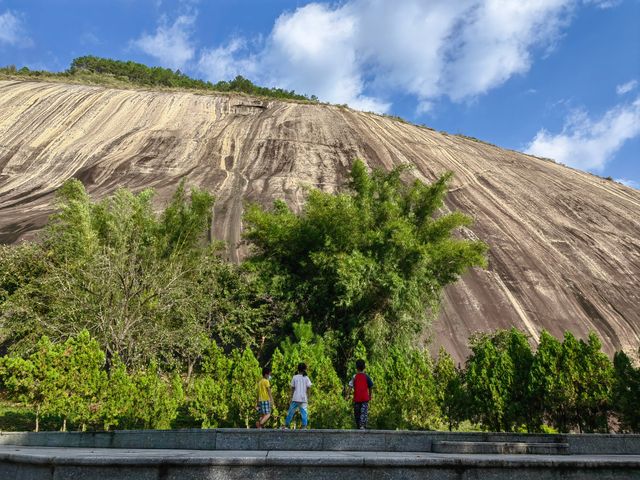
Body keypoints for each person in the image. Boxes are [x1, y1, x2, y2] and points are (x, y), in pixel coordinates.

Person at [284, 363, 312, 429]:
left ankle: (286, 425)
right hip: (303, 398)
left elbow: (292, 388)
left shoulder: (294, 377)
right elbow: (309, 388)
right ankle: (304, 426)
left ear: (298, 369)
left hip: (295, 398)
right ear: (305, 369)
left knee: (291, 412)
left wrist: (290, 397)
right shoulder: (306, 378)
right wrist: (309, 397)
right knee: (304, 413)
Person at [348, 359, 373, 430]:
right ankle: (362, 425)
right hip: (365, 398)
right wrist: (370, 395)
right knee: (363, 413)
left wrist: (347, 395)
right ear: (364, 367)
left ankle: (360, 426)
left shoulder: (354, 376)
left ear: (356, 367)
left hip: (357, 399)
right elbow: (371, 386)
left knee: (357, 413)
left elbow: (350, 386)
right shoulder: (366, 376)